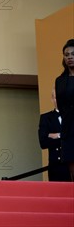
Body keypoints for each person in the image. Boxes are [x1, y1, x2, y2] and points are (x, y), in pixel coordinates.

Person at [38, 89, 70, 181]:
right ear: (52, 99)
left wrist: (57, 135)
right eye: (56, 97)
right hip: (56, 166)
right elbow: (43, 142)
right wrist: (65, 137)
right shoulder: (46, 118)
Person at [55, 38, 74, 181]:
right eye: (66, 54)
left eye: (73, 54)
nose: (70, 57)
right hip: (69, 127)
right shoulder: (60, 80)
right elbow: (60, 106)